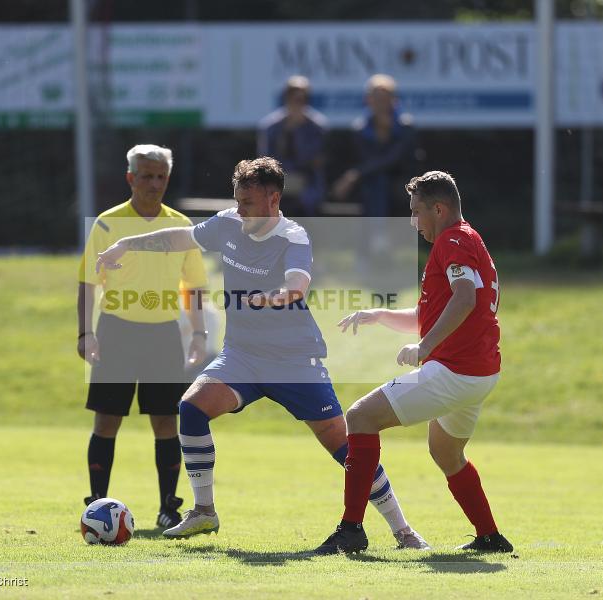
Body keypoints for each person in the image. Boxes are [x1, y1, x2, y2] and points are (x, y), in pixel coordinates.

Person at [96, 157, 428, 549]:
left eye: (248, 202)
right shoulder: (227, 223)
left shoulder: (294, 236)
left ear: (273, 199)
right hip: (242, 356)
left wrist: (272, 298)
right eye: (237, 200)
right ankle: (204, 511)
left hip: (293, 360)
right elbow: (180, 240)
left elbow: (298, 286)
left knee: (344, 444)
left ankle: (403, 531)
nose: (240, 209)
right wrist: (127, 244)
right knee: (192, 406)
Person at [314, 171, 513, 555]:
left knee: (359, 418)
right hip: (481, 372)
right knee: (446, 453)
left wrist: (424, 347)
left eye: (416, 211)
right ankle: (490, 537)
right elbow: (437, 311)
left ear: (438, 209)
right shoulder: (467, 239)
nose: (412, 221)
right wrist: (380, 314)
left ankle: (351, 530)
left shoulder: (452, 240)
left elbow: (465, 298)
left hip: (456, 370)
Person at [78, 144, 208, 530]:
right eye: (147, 176)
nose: (154, 183)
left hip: (164, 335)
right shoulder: (106, 223)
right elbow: (86, 283)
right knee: (107, 421)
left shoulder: (183, 227)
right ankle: (96, 504)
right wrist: (85, 331)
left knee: (166, 422)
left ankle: (168, 506)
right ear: (130, 178)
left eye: (161, 177)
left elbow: (195, 286)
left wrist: (199, 333)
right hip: (116, 330)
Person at [332, 74, 417, 256]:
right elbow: (366, 161)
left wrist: (354, 175)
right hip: (370, 184)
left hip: (401, 181)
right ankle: (377, 244)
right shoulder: (360, 129)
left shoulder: (405, 127)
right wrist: (357, 174)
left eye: (385, 98)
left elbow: (393, 161)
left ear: (394, 100)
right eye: (376, 98)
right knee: (376, 182)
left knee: (379, 182)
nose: (380, 103)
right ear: (368, 100)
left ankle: (375, 243)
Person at [257, 75, 327, 217]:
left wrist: (296, 130)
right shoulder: (271, 127)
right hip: (278, 181)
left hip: (308, 181)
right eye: (293, 98)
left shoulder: (317, 127)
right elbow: (264, 161)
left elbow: (315, 161)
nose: (297, 103)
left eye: (301, 99)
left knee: (307, 201)